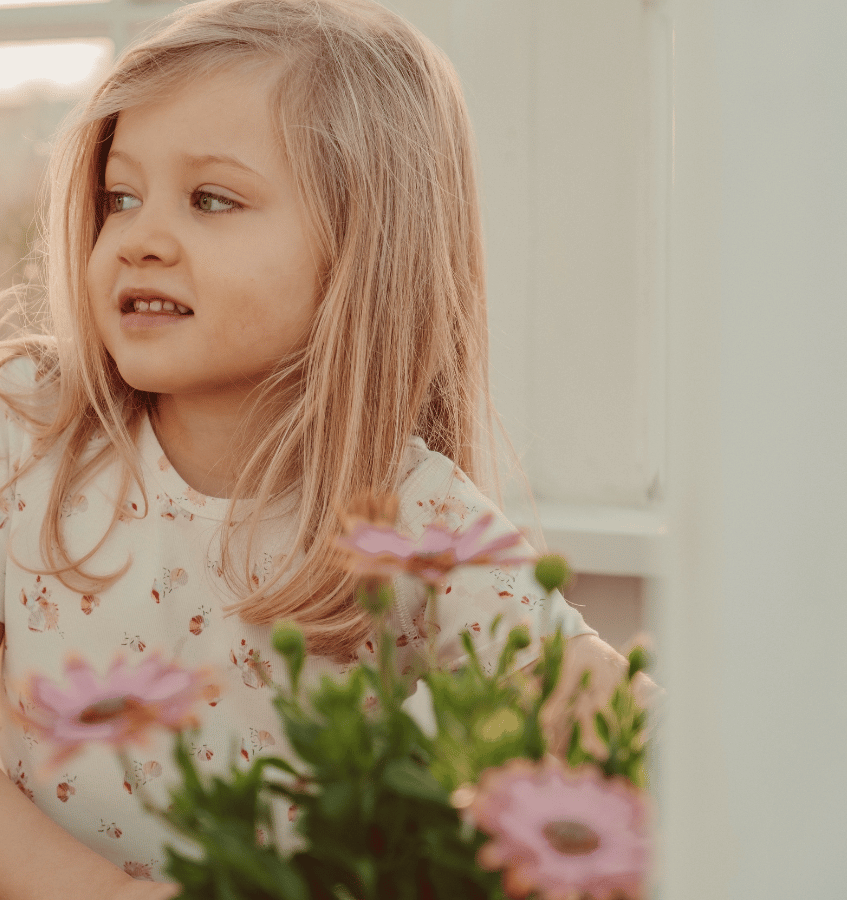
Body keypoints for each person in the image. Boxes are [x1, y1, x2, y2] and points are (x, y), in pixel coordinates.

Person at [0, 0, 653, 896]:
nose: (139, 239)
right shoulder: (25, 428)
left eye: (212, 199)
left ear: (361, 251)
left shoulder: (416, 517)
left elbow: (606, 714)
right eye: (121, 197)